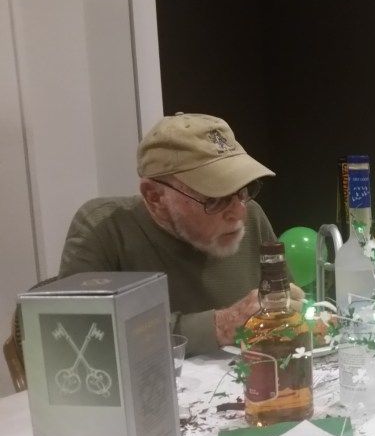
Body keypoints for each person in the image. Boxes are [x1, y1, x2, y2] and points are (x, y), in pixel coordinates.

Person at [58, 113, 300, 355]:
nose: (239, 212)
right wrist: (221, 325)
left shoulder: (253, 216)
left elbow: (289, 314)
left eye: (242, 190)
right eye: (215, 199)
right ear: (155, 197)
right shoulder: (105, 228)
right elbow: (78, 336)